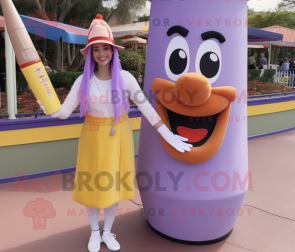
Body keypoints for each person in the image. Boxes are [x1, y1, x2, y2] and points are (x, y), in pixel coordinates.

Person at [37, 14, 192, 252]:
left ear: (113, 50)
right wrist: (49, 107)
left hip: (119, 136)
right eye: (96, 48)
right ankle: (94, 233)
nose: (101, 53)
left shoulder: (126, 79)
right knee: (92, 189)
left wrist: (168, 133)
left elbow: (146, 108)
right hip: (91, 136)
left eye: (105, 48)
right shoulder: (82, 81)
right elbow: (64, 112)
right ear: (90, 53)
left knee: (112, 188)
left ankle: (107, 232)